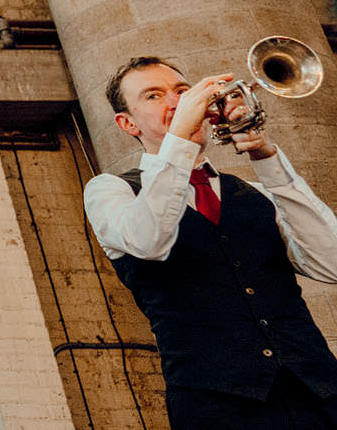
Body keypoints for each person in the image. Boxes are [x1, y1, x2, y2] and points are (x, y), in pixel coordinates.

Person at [85, 55, 337, 427]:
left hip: (320, 392)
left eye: (183, 91)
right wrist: (179, 138)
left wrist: (268, 160)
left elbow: (330, 264)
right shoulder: (111, 191)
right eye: (154, 96)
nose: (177, 102)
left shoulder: (253, 192)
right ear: (127, 123)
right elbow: (149, 241)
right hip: (214, 406)